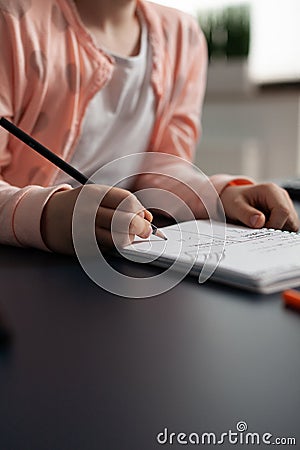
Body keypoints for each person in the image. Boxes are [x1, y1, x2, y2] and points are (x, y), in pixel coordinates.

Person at [0, 0, 298, 255]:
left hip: (122, 251)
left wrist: (218, 195)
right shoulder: (12, 21)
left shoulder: (183, 37)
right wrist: (46, 215)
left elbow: (162, 168)